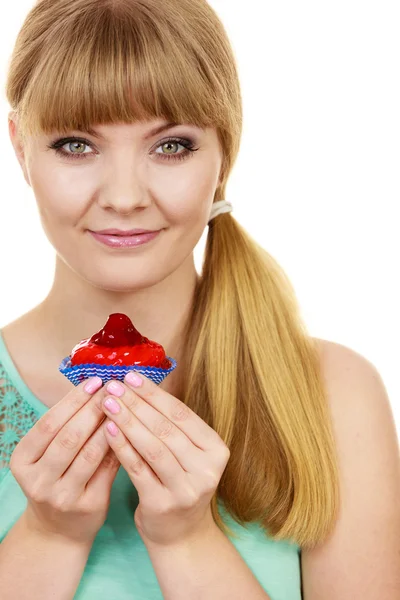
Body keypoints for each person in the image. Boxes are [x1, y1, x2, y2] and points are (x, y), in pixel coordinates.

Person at [0, 0, 399, 599]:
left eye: (172, 146)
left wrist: (184, 539)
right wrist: (49, 536)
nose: (125, 195)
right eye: (77, 144)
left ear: (225, 154)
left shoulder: (336, 395)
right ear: (21, 150)